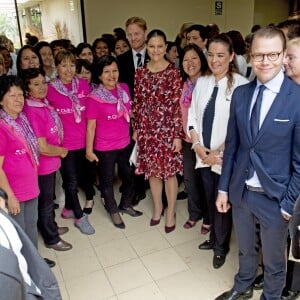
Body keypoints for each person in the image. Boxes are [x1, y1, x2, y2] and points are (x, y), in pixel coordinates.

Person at [215, 26, 300, 300]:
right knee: (245, 248)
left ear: (284, 56)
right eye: (259, 55)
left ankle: (271, 297)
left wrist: (288, 204)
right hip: (241, 191)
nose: (265, 62)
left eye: (273, 55)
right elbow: (233, 147)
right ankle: (243, 285)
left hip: (275, 197)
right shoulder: (241, 94)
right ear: (250, 56)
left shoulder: (297, 99)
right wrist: (224, 188)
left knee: (275, 261)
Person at [188, 34, 248, 269]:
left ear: (231, 56)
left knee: (222, 202)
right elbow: (192, 116)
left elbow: (240, 127)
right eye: (210, 54)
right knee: (209, 198)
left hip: (226, 158)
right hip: (203, 155)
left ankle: (221, 247)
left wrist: (217, 152)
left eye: (220, 55)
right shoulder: (202, 81)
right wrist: (198, 147)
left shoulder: (242, 85)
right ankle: (213, 238)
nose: (214, 60)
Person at [133, 29, 184, 233]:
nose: (155, 50)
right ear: (147, 45)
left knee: (169, 174)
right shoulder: (140, 72)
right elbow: (137, 103)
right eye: (152, 46)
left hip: (167, 130)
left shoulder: (173, 72)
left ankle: (170, 212)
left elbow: (177, 106)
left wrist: (177, 135)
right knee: (153, 173)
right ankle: (158, 208)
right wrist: (137, 128)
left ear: (166, 47)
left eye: (160, 46)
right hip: (147, 130)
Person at [86, 55, 142, 229]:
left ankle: (125, 204)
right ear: (100, 76)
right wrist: (89, 150)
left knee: (130, 176)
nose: (112, 75)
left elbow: (131, 113)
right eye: (107, 72)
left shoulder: (123, 88)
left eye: (114, 70)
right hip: (105, 148)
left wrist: (136, 130)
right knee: (107, 181)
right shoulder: (94, 98)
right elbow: (91, 127)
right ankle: (113, 210)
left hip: (125, 144)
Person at [22, 68, 72, 252]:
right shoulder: (33, 109)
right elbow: (41, 147)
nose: (42, 87)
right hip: (43, 164)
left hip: (51, 162)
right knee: (45, 202)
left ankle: (51, 225)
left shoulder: (42, 103)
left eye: (43, 82)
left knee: (49, 198)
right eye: (36, 84)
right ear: (27, 89)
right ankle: (51, 238)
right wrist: (61, 150)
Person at [47, 50, 95, 234]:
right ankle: (79, 217)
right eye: (64, 65)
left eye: (72, 65)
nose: (69, 69)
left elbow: (90, 113)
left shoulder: (83, 84)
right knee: (71, 181)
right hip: (64, 146)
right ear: (56, 67)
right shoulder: (49, 89)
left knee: (83, 178)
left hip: (84, 141)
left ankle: (68, 208)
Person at [0, 187, 62, 300]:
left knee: (31, 228)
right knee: (21, 233)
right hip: (17, 193)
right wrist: (10, 195)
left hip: (30, 188)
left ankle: (34, 264)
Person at [117, 16, 150, 205]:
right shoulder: (121, 60)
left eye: (137, 33)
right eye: (130, 35)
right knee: (131, 151)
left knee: (147, 150)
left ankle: (146, 184)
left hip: (151, 114)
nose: (133, 38)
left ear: (145, 32)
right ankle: (135, 187)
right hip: (129, 115)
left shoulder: (154, 56)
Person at [179, 44, 210, 234]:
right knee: (190, 180)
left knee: (205, 181)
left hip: (205, 142)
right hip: (187, 140)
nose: (190, 63)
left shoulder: (208, 82)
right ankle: (194, 213)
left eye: (194, 58)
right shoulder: (182, 84)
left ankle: (208, 218)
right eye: (185, 59)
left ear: (202, 60)